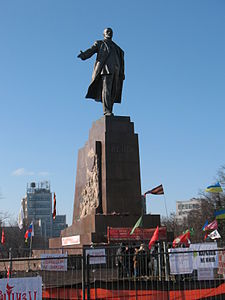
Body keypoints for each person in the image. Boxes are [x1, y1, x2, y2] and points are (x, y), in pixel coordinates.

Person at [77, 28, 125, 116]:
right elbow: (91, 50)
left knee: (113, 92)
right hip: (106, 70)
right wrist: (84, 55)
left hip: (116, 72)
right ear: (104, 34)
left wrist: (122, 72)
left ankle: (110, 109)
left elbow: (121, 61)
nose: (109, 33)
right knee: (106, 90)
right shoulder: (100, 43)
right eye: (107, 31)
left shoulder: (118, 48)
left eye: (111, 32)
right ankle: (107, 111)